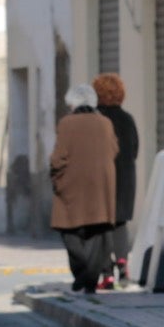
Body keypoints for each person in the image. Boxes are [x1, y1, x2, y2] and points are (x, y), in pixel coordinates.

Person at [50, 83, 119, 294]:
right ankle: (90, 279)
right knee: (97, 234)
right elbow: (115, 149)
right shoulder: (105, 123)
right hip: (101, 187)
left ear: (72, 103)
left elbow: (58, 157)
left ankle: (83, 272)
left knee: (69, 231)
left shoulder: (66, 123)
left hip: (72, 186)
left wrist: (56, 178)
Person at [94, 72, 140, 289]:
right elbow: (134, 149)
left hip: (102, 178)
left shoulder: (95, 119)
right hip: (125, 178)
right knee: (120, 223)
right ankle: (123, 265)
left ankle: (106, 273)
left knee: (102, 225)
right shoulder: (127, 119)